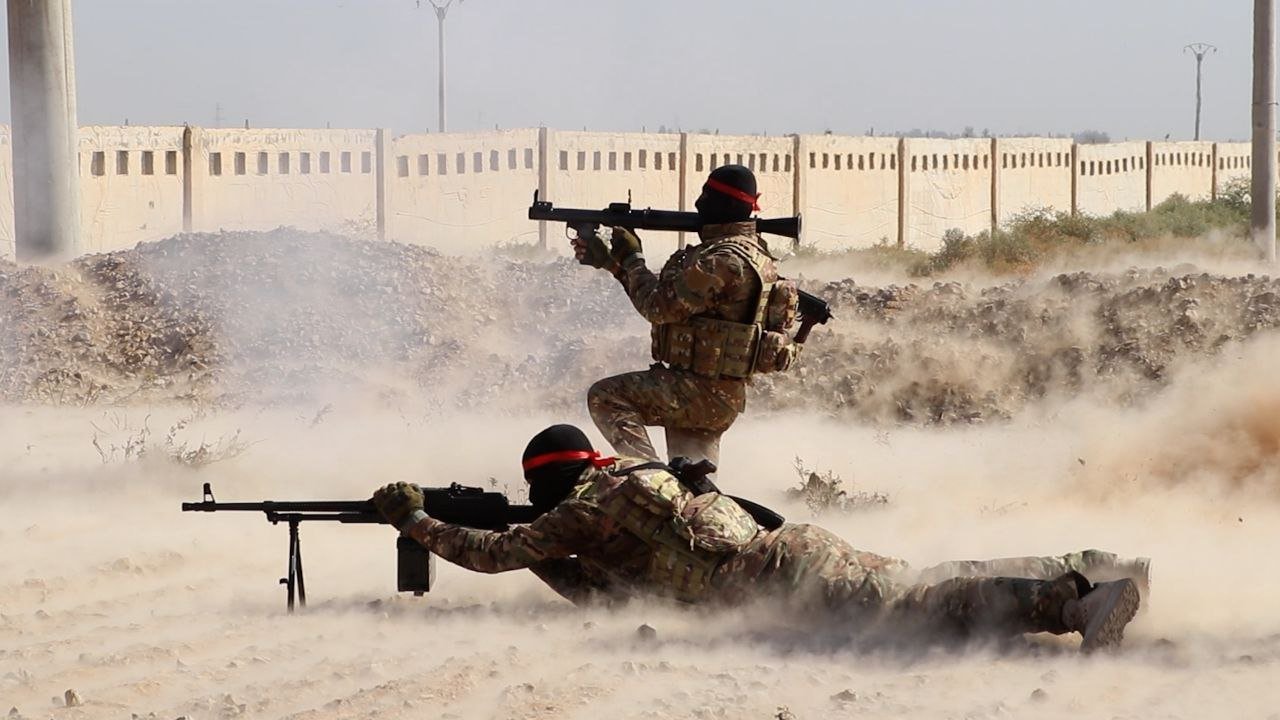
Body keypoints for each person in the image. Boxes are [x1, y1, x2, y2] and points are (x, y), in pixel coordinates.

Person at [371, 425, 1147, 652]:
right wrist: (553, 562)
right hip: (786, 554)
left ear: (549, 481)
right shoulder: (627, 479)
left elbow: (492, 554)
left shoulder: (586, 507)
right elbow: (596, 586)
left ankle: (1076, 605)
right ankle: (1085, 566)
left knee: (927, 604)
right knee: (924, 583)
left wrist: (416, 521)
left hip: (779, 576)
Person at [572, 165, 801, 470]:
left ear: (727, 204)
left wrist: (632, 258)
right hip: (712, 393)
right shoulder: (748, 252)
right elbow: (673, 305)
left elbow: (657, 308)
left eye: (707, 195)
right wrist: (615, 266)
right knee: (692, 478)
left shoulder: (724, 260)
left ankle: (647, 476)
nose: (698, 203)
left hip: (699, 392)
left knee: (605, 397)